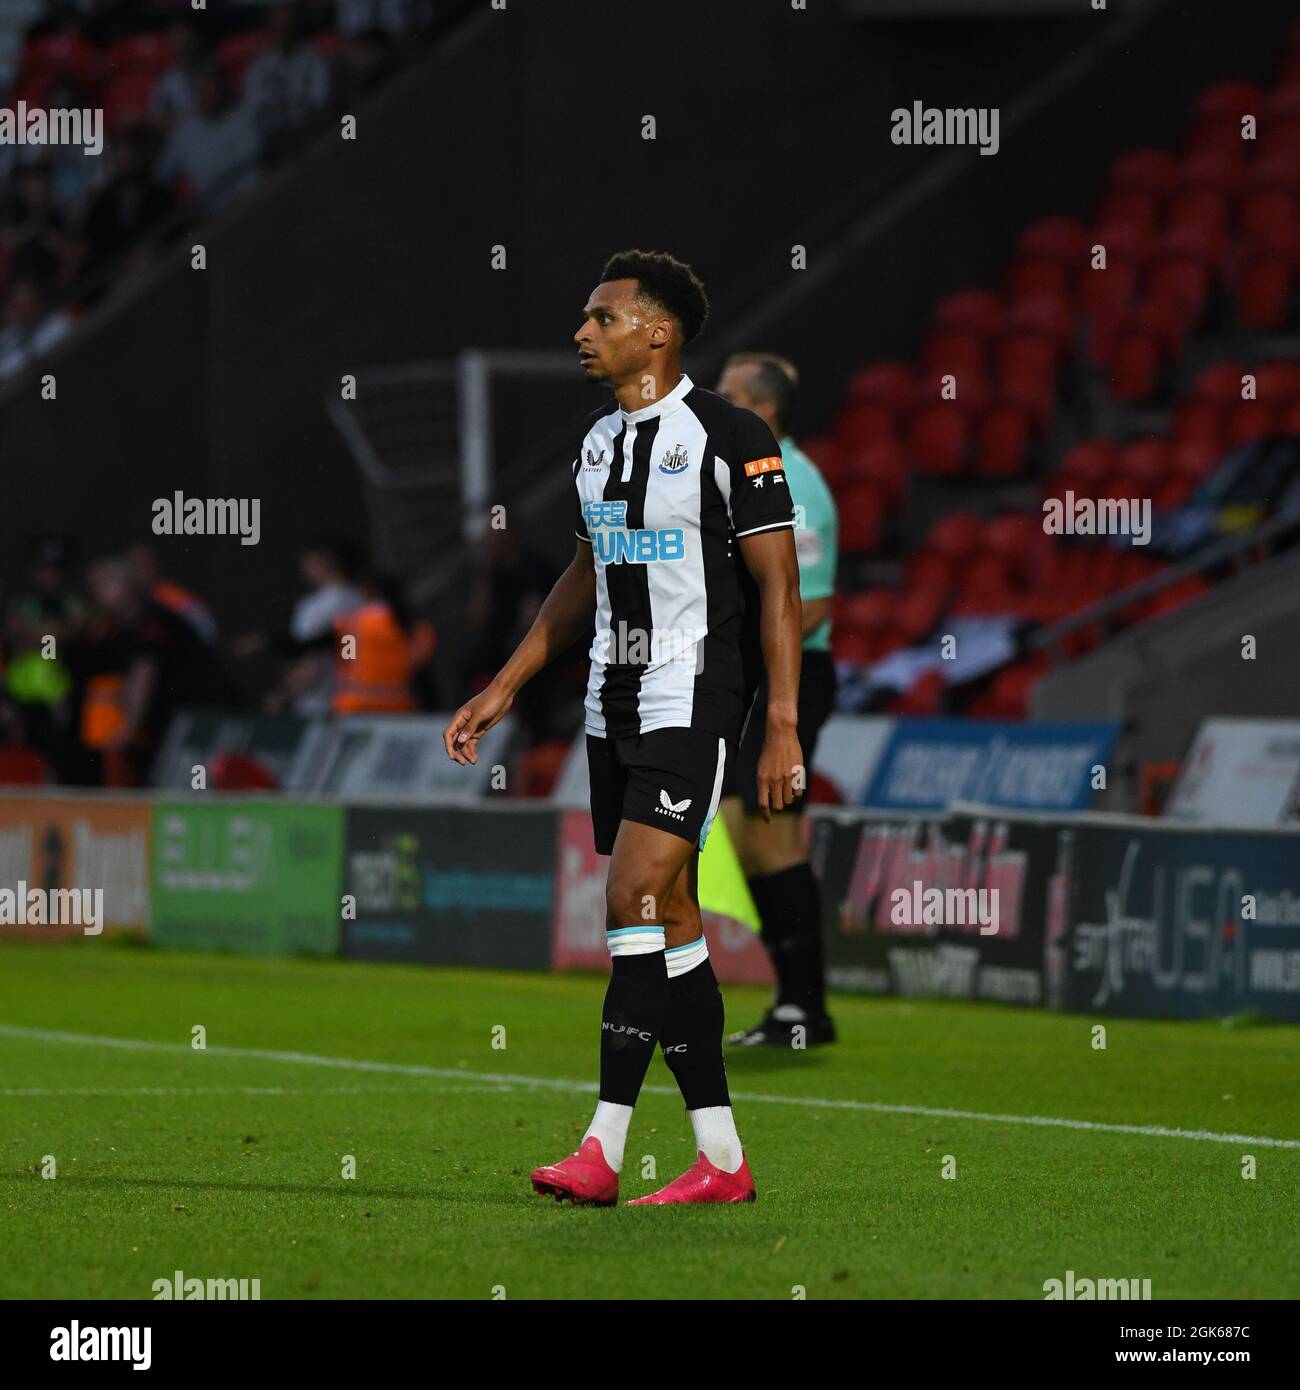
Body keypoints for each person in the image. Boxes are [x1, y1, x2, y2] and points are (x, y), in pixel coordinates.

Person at [443, 250, 804, 1207]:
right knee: (673, 924)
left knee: (632, 897)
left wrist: (782, 723)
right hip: (614, 700)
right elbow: (584, 576)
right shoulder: (598, 444)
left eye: (602, 318)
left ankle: (601, 1150)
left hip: (695, 696)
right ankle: (722, 1164)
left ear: (658, 332)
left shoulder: (732, 436)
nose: (583, 333)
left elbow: (780, 585)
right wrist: (507, 684)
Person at [715, 353, 840, 1047]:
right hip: (761, 680)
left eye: (729, 397)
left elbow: (812, 603)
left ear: (761, 409)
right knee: (754, 837)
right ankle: (798, 1005)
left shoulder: (795, 484)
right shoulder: (748, 475)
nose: (716, 406)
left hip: (791, 680)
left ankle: (804, 1006)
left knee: (767, 835)